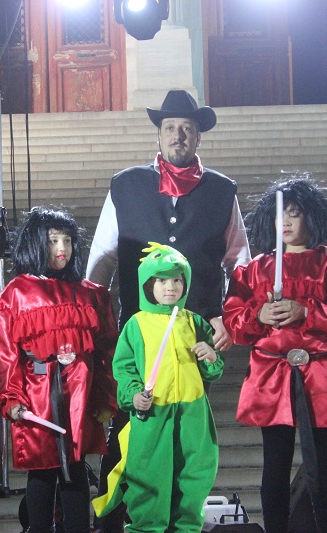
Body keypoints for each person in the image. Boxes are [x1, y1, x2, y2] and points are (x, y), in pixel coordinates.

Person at [87, 89, 250, 531]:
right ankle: (113, 524)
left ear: (198, 137)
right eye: (170, 127)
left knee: (185, 436)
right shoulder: (126, 185)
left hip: (193, 337)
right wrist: (94, 317)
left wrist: (229, 316)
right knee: (130, 430)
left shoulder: (221, 191)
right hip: (139, 332)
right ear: (159, 135)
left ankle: (179, 522)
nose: (178, 135)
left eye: (187, 128)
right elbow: (102, 256)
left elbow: (240, 260)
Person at [222, 177, 327, 533]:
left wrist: (306, 311)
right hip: (270, 374)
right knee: (275, 464)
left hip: (318, 371)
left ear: (311, 217)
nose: (285, 222)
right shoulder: (255, 268)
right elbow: (234, 322)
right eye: (278, 215)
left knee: (323, 464)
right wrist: (258, 315)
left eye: (294, 213)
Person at [0, 206, 118, 533]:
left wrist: (105, 397)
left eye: (67, 241)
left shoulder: (90, 294)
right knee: (42, 471)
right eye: (53, 241)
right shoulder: (16, 295)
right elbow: (5, 355)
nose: (62, 249)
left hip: (79, 396)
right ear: (36, 244)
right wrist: (12, 397)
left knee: (75, 469)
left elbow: (106, 351)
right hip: (37, 397)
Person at [93, 243, 223, 532]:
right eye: (162, 281)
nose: (171, 287)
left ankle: (187, 528)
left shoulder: (195, 323)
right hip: (153, 416)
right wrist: (133, 395)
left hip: (192, 415)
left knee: (193, 474)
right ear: (147, 284)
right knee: (148, 477)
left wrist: (211, 357)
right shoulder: (136, 325)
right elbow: (124, 369)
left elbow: (212, 370)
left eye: (177, 280)